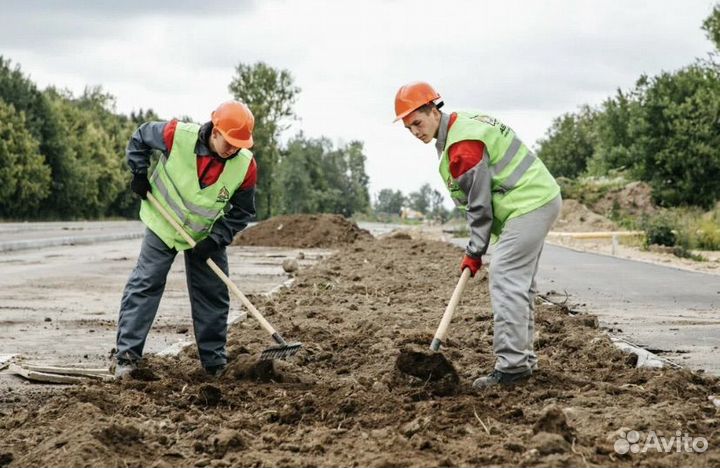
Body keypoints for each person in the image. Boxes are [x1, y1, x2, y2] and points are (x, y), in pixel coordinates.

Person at [394, 82, 561, 388]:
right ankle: (522, 362)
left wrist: (474, 251)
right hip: (535, 199)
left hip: (528, 203)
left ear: (433, 110)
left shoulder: (462, 145)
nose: (415, 132)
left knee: (506, 276)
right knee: (518, 283)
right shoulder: (460, 126)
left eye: (417, 122)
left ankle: (512, 368)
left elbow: (480, 206)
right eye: (408, 128)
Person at [114, 101, 257, 379]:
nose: (233, 149)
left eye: (239, 144)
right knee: (146, 283)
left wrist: (215, 239)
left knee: (213, 294)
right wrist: (139, 173)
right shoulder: (176, 134)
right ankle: (127, 359)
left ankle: (214, 366)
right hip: (163, 223)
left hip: (205, 235)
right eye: (229, 141)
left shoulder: (245, 166)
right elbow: (141, 136)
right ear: (215, 131)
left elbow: (242, 212)